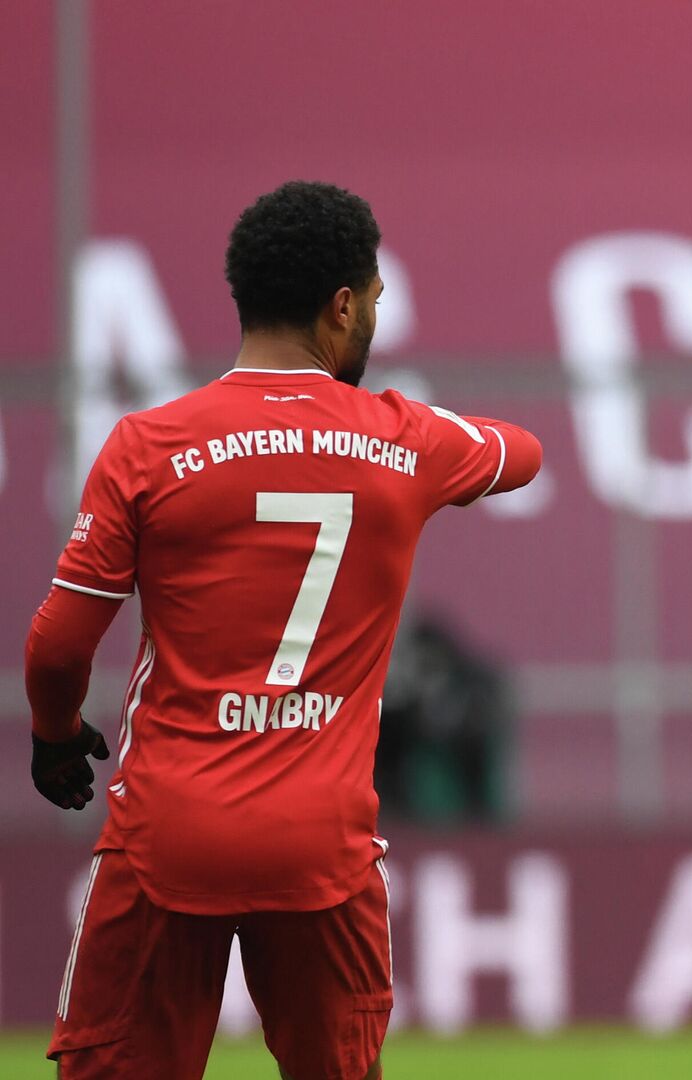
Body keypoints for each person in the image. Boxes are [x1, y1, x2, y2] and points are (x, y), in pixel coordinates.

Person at [25, 181, 542, 1079]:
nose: (372, 322)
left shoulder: (148, 446)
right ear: (341, 308)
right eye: (373, 303)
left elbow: (59, 644)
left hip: (167, 833)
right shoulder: (405, 440)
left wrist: (56, 739)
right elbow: (522, 452)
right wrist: (402, 435)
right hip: (323, 850)